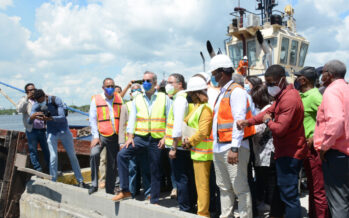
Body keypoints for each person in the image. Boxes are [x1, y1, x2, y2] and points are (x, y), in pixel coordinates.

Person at [237, 65, 308, 218]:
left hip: (290, 153)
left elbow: (279, 129)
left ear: (282, 80)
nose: (269, 86)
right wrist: (247, 122)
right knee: (284, 191)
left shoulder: (289, 99)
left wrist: (268, 122)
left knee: (289, 196)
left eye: (271, 83)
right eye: (267, 83)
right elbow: (266, 112)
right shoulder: (282, 96)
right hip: (285, 151)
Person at [113, 71, 171, 203]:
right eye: (143, 80)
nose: (145, 83)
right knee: (122, 155)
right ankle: (125, 190)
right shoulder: (137, 99)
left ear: (155, 83)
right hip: (140, 137)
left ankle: (154, 199)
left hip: (157, 138)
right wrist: (129, 137)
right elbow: (132, 119)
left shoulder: (164, 98)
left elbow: (170, 119)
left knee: (155, 168)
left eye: (148, 81)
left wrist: (165, 137)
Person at [210, 54, 254, 218]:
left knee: (240, 188)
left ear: (222, 73)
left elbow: (239, 121)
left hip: (233, 148)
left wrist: (235, 148)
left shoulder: (237, 92)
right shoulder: (222, 93)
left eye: (214, 73)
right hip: (220, 147)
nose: (213, 76)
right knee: (224, 187)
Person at [313, 60, 349, 218]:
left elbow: (336, 121)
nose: (321, 76)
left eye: (323, 73)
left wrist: (324, 146)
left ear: (330, 74)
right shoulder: (346, 89)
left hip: (336, 154)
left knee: (338, 202)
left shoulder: (331, 91)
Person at [30, 89, 86, 187]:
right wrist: (34, 116)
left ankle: (80, 180)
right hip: (51, 132)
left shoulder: (56, 100)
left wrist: (50, 118)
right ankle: (53, 181)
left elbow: (62, 117)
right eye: (38, 102)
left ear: (45, 96)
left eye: (41, 100)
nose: (40, 103)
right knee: (53, 157)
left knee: (72, 156)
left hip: (64, 130)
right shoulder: (37, 104)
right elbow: (31, 113)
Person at [294, 66, 329, 218]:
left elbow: (330, 118)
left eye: (298, 77)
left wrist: (315, 135)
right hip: (306, 149)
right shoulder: (303, 95)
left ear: (303, 80)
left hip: (315, 148)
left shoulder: (315, 96)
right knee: (313, 188)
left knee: (318, 189)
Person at [183, 75, 213, 217]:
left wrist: (189, 142)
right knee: (200, 185)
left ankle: (203, 213)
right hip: (197, 151)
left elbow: (203, 131)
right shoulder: (198, 106)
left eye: (190, 93)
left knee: (202, 186)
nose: (189, 96)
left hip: (204, 152)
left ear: (196, 93)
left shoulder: (205, 108)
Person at [250, 85, 283, 217]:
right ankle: (270, 206)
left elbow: (258, 129)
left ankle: (268, 206)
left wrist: (248, 126)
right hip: (269, 150)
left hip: (266, 151)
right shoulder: (272, 106)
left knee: (268, 180)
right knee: (270, 180)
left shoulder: (266, 109)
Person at [165, 73, 195, 212]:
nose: (168, 85)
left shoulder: (180, 100)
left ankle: (185, 208)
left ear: (180, 84)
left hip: (179, 145)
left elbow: (177, 126)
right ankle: (191, 204)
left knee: (181, 178)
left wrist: (173, 147)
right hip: (187, 143)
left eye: (171, 82)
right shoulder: (186, 97)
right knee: (188, 176)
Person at [88, 78, 123, 195]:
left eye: (112, 86)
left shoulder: (118, 98)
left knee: (112, 163)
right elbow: (92, 119)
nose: (110, 88)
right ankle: (94, 184)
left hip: (115, 135)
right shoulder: (96, 99)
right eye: (108, 86)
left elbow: (123, 117)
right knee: (94, 154)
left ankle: (110, 188)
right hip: (101, 135)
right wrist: (95, 136)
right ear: (103, 87)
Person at [119, 83, 151, 198]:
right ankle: (132, 191)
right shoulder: (126, 105)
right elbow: (122, 126)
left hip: (143, 139)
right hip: (131, 141)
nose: (136, 91)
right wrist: (122, 142)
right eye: (134, 90)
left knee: (146, 167)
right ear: (130, 93)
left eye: (138, 89)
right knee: (132, 168)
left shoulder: (146, 104)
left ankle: (148, 192)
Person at [17, 83, 50, 172]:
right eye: (30, 90)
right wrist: (27, 98)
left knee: (46, 150)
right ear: (27, 92)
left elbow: (47, 108)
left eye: (34, 90)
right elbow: (19, 109)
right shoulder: (24, 100)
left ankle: (50, 168)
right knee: (33, 151)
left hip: (42, 129)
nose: (33, 92)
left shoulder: (39, 99)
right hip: (31, 130)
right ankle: (38, 169)